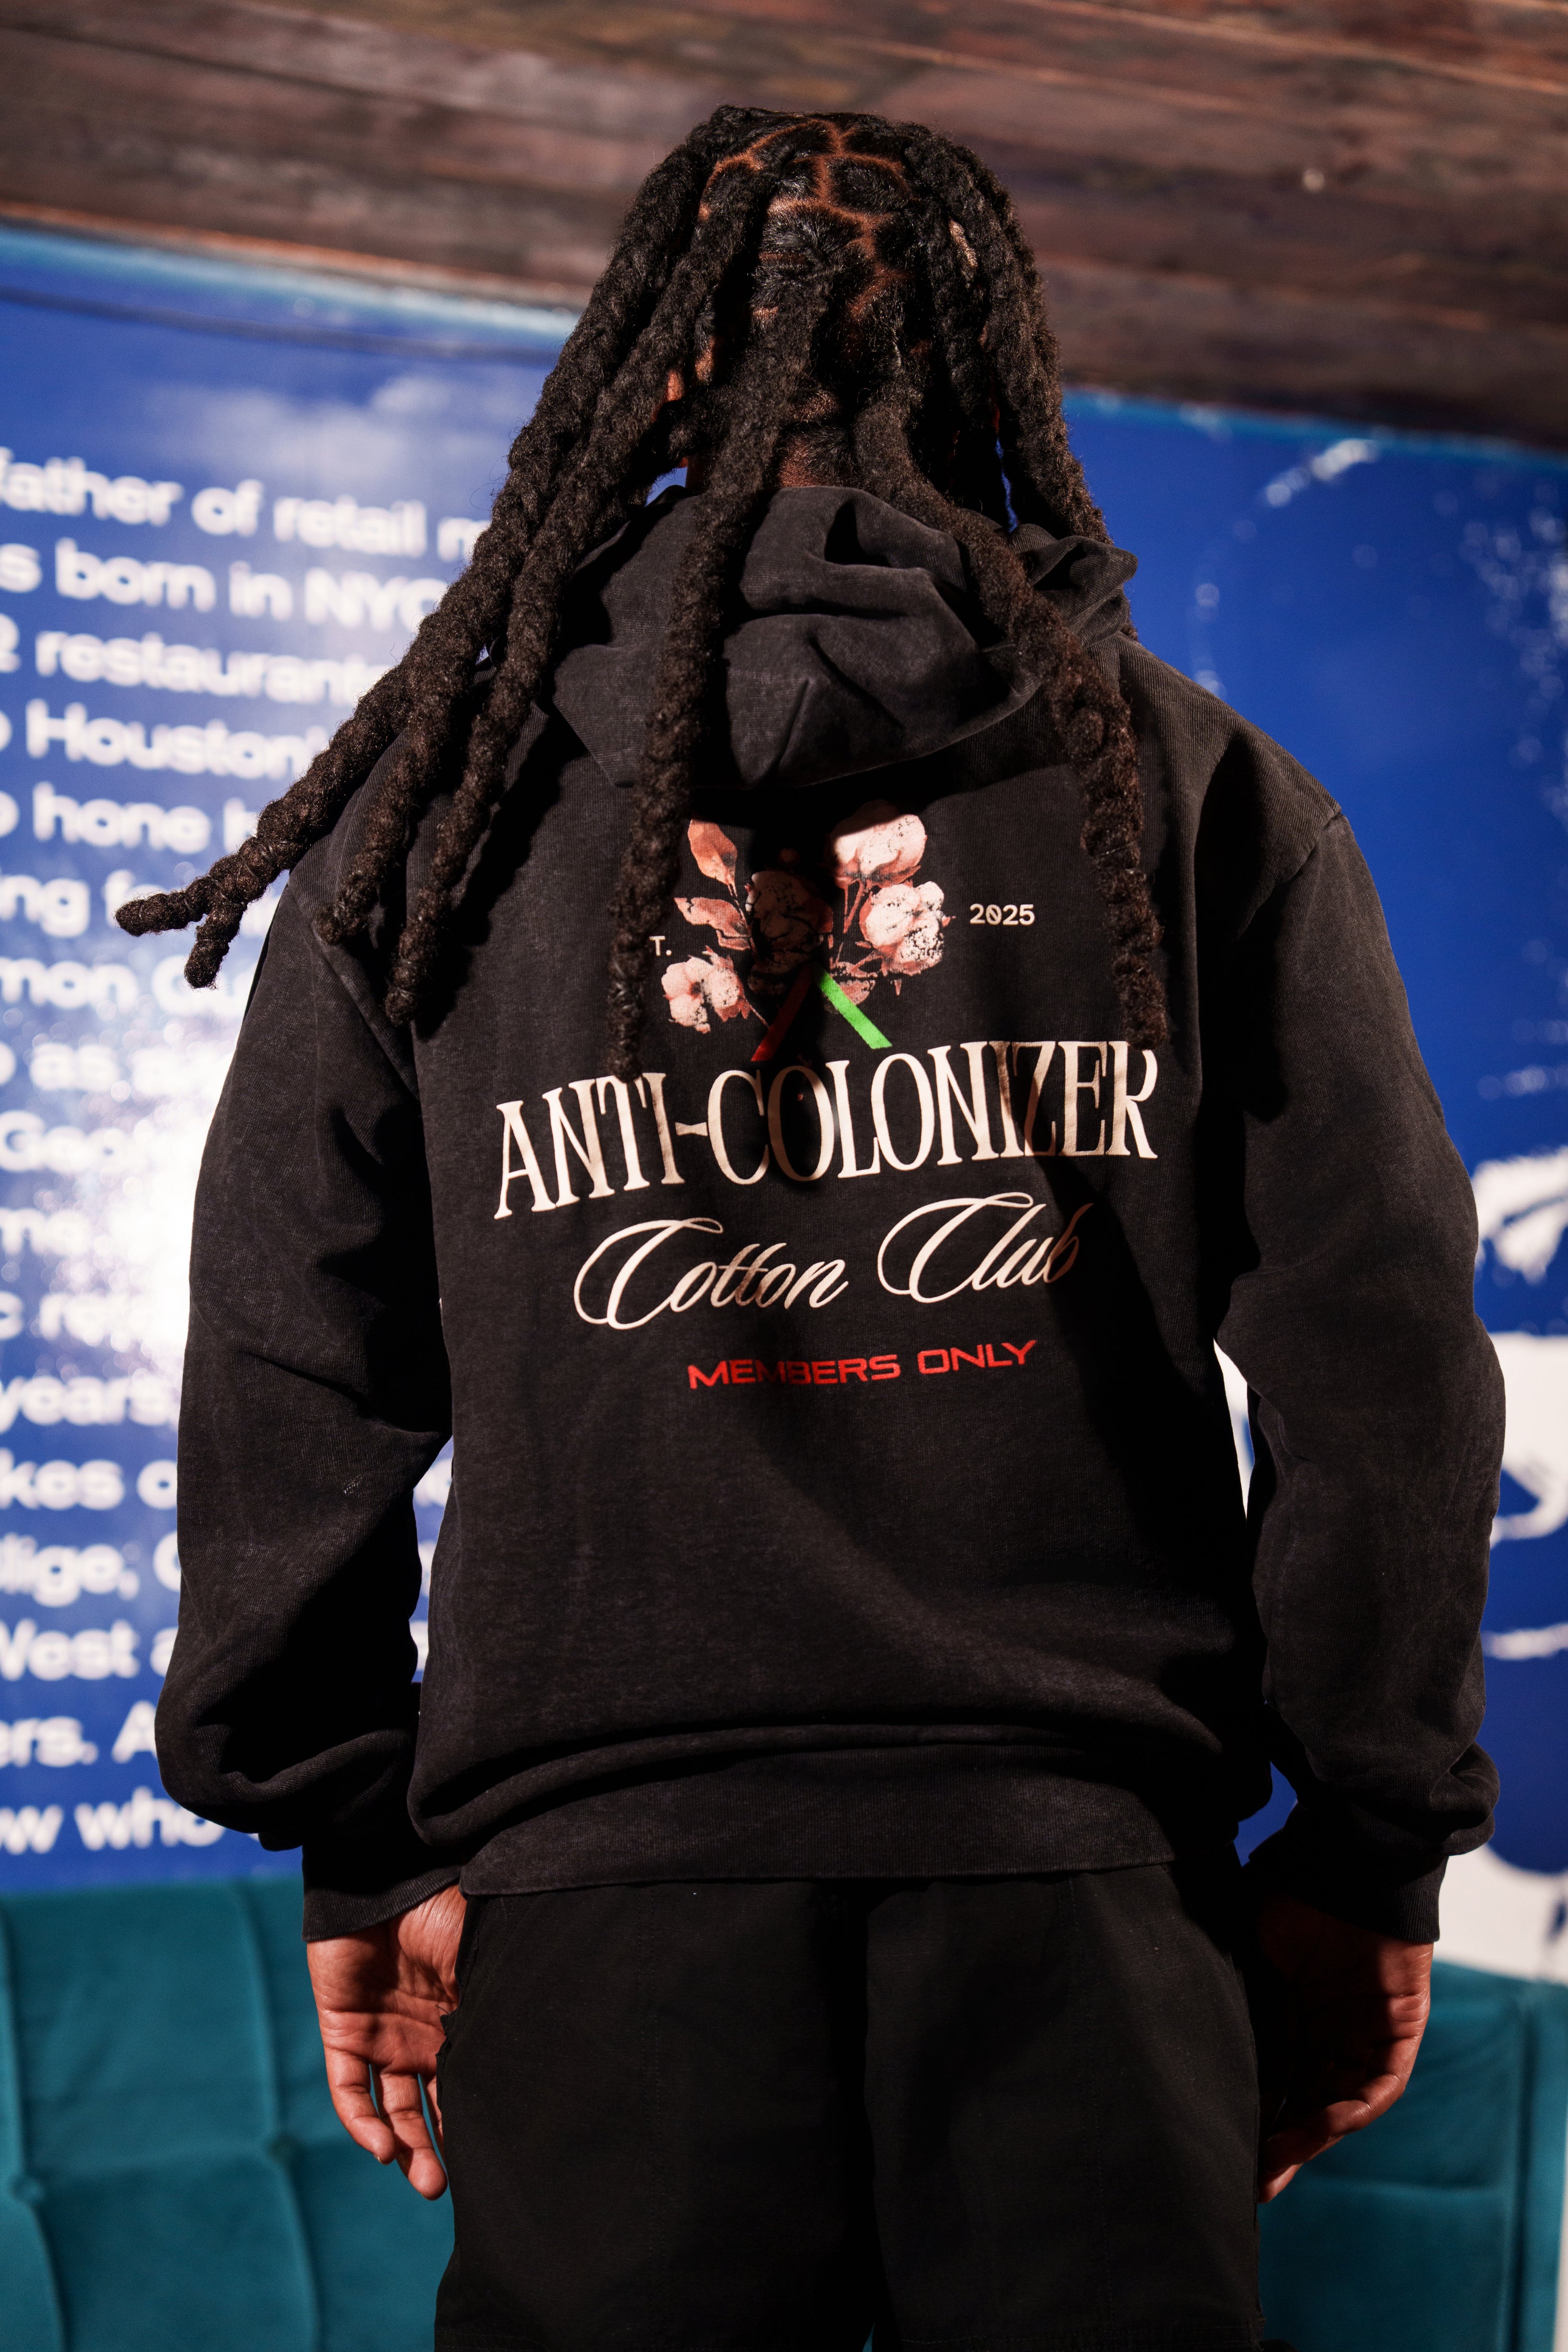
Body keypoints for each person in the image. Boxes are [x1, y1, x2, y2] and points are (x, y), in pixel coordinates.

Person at [130, 107, 1501, 2352]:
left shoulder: (437, 817)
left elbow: (290, 1348)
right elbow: (1388, 1359)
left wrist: (354, 1824)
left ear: (657, 367)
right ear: (981, 360)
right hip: (1089, 1900)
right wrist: (1369, 1843)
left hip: (610, 1915)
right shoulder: (1196, 789)